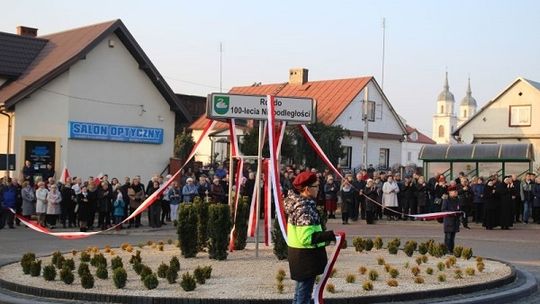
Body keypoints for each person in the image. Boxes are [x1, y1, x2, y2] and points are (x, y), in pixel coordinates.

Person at [284, 172, 338, 304]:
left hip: (300, 256)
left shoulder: (299, 203)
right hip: (305, 257)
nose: (318, 188)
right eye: (316, 186)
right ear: (307, 189)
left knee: (299, 294)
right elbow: (307, 238)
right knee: (303, 297)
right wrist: (331, 235)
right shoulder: (304, 208)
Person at [441, 185, 461, 253]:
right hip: (449, 222)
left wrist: (460, 212)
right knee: (448, 237)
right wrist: (451, 213)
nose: (456, 193)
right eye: (454, 191)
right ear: (450, 192)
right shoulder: (446, 200)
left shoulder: (458, 200)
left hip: (455, 222)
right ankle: (447, 250)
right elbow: (443, 210)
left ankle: (451, 250)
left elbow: (459, 209)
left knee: (452, 238)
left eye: (456, 191)